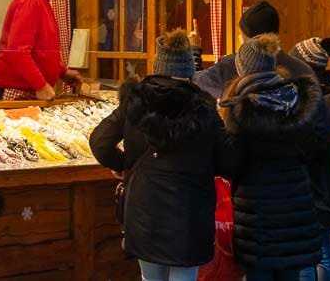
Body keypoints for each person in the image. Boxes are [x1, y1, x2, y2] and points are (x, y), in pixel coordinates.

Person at [90, 30, 234, 281]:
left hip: (144, 211)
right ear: (189, 68)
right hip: (190, 214)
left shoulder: (135, 101)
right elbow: (227, 162)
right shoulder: (205, 109)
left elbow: (100, 142)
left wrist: (123, 165)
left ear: (158, 65)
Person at [221, 34, 323, 281]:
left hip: (258, 218)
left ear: (243, 69)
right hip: (296, 212)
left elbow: (230, 164)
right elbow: (312, 149)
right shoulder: (299, 102)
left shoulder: (240, 111)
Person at [289, 37, 330, 281]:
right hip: (308, 187)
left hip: (320, 189)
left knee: (321, 253)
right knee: (309, 254)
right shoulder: (310, 98)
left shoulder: (328, 102)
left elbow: (322, 148)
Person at [0, 0, 82, 101]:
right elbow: (18, 52)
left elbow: (40, 51)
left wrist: (62, 72)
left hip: (27, 88)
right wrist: (41, 85)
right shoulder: (31, 0)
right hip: (17, 89)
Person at [193, 0, 313, 100]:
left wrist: (194, 51)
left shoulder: (231, 65)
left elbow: (195, 83)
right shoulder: (303, 70)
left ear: (247, 37)